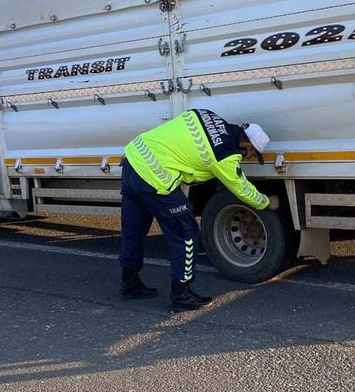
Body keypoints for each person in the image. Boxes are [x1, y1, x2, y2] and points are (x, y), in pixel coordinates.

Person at [119, 109, 279, 312]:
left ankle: (129, 283)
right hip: (155, 177)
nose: (247, 159)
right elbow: (242, 189)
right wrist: (266, 202)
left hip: (133, 159)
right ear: (246, 145)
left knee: (133, 230)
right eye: (251, 155)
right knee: (186, 233)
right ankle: (181, 295)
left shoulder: (205, 114)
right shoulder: (225, 155)